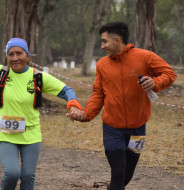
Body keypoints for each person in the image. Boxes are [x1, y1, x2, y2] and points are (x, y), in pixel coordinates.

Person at [0, 25, 83, 190]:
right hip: (5, 132)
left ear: (27, 56)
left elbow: (67, 90)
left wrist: (73, 106)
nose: (15, 58)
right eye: (11, 54)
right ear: (7, 57)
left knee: (28, 176)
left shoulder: (38, 76)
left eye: (19, 53)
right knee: (12, 173)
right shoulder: (0, 73)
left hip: (31, 134)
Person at [67, 22, 177, 190]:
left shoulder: (145, 57)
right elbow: (98, 94)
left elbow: (170, 74)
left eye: (104, 42)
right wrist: (86, 114)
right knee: (118, 172)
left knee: (126, 175)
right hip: (112, 128)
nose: (102, 46)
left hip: (138, 129)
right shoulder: (102, 65)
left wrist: (155, 82)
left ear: (117, 40)